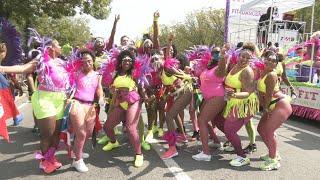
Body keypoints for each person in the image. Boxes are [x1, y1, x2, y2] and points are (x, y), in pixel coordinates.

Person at [102, 50, 152, 167]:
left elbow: (141, 87)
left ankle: (139, 154)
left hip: (133, 100)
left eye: (130, 60)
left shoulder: (135, 73)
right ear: (120, 62)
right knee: (107, 127)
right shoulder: (115, 74)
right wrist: (112, 90)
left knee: (130, 128)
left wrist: (146, 98)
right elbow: (110, 87)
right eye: (125, 60)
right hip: (120, 101)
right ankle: (114, 142)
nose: (128, 62)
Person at [215, 49, 259, 167]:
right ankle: (233, 142)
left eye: (247, 58)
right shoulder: (234, 66)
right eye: (242, 56)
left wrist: (234, 94)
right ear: (238, 56)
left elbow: (248, 93)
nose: (244, 59)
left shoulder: (247, 71)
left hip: (243, 103)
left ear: (250, 60)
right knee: (218, 121)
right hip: (232, 101)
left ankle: (242, 157)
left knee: (229, 130)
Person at [69, 49, 104, 172]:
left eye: (89, 61)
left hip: (90, 106)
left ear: (93, 61)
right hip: (77, 103)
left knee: (88, 133)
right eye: (83, 61)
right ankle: (77, 160)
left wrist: (101, 98)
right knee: (81, 134)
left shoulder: (98, 75)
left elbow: (99, 89)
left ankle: (77, 150)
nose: (86, 63)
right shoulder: (76, 73)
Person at [192, 46, 228, 161]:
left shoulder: (220, 67)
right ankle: (217, 142)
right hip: (207, 97)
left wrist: (222, 55)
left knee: (202, 120)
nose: (215, 54)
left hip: (217, 97)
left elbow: (222, 67)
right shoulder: (208, 67)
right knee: (201, 118)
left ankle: (206, 153)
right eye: (214, 52)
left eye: (217, 52)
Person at [257, 52, 292, 170]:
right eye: (269, 59)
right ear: (264, 60)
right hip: (271, 105)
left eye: (274, 61)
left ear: (276, 65)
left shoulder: (271, 75)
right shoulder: (262, 72)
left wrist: (265, 109)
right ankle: (273, 153)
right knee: (261, 129)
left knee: (269, 130)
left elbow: (268, 95)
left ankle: (273, 161)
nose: (271, 62)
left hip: (280, 105)